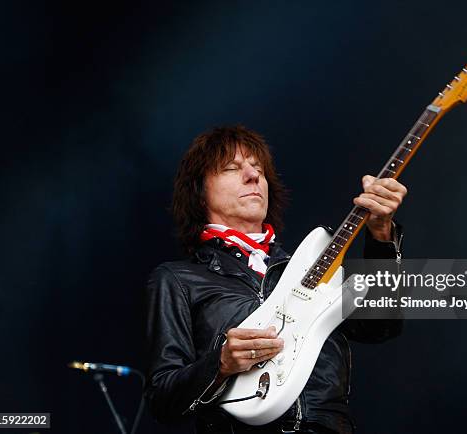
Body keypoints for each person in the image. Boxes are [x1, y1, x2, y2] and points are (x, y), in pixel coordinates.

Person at [144, 125, 407, 433]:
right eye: (232, 168)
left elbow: (382, 325)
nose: (253, 176)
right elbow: (162, 398)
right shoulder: (178, 279)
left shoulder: (311, 266)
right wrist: (221, 364)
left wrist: (381, 236)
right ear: (199, 193)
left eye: (258, 169)